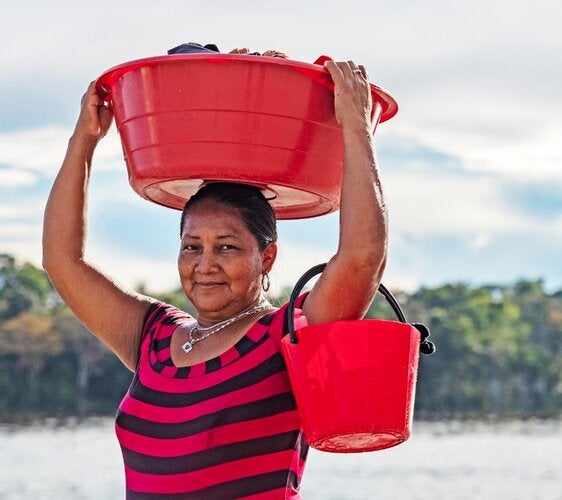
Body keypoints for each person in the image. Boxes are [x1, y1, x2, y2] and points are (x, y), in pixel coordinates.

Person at [43, 53, 387, 498]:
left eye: (226, 246)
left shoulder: (289, 336)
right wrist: (83, 142)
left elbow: (362, 257)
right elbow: (62, 261)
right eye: (192, 246)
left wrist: (354, 127)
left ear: (267, 257)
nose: (205, 263)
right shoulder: (152, 338)